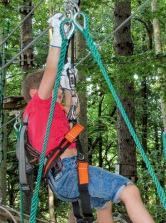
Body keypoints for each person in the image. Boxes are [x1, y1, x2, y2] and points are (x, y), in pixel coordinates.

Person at [21, 13, 155, 223]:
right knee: (129, 191)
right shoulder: (38, 105)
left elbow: (73, 109)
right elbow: (50, 71)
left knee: (104, 202)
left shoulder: (50, 114)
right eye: (52, 87)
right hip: (66, 172)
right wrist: (58, 38)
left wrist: (67, 82)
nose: (54, 91)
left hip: (67, 174)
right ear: (34, 92)